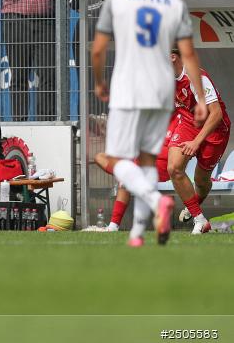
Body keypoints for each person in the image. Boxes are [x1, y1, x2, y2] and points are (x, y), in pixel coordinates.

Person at [91, 0, 207, 248]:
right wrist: (200, 99)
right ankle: (138, 232)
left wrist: (99, 81)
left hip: (130, 86)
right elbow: (189, 55)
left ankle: (157, 204)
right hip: (161, 90)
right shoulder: (174, 4)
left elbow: (99, 48)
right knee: (144, 160)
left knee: (112, 157)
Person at [98, 49, 230, 235]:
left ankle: (194, 204)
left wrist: (196, 142)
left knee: (202, 179)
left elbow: (216, 114)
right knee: (174, 168)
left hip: (215, 129)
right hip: (188, 122)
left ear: (172, 56)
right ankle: (200, 220)